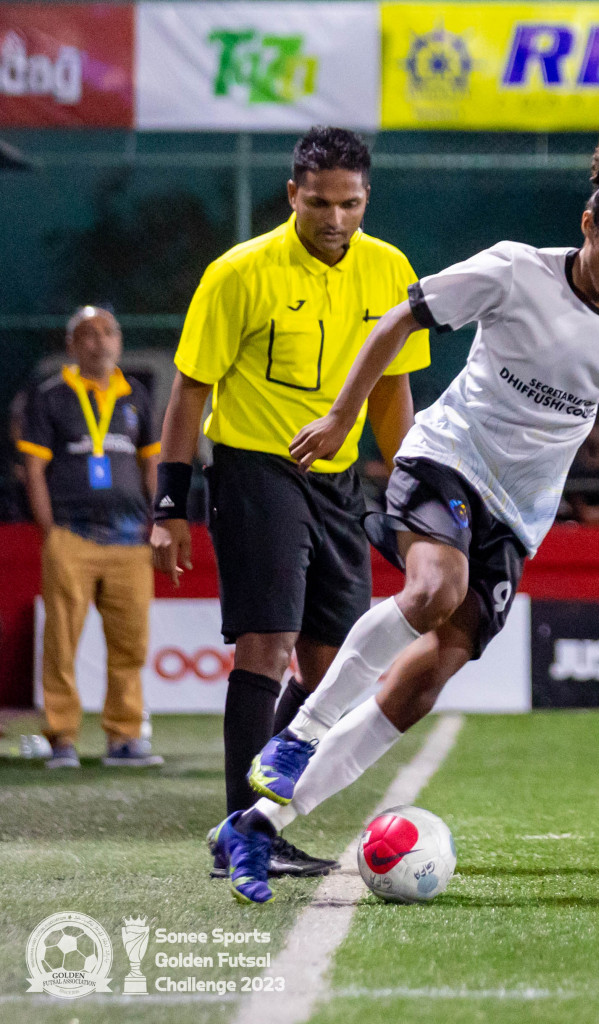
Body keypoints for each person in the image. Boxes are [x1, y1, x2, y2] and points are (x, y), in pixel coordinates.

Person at [209, 130, 599, 904]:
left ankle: (253, 824)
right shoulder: (514, 269)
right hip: (448, 458)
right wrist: (343, 418)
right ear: (590, 222)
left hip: (520, 512)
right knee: (432, 591)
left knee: (434, 672)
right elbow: (395, 322)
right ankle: (298, 737)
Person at [152, 127, 429, 879]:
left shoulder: (389, 269)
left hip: (338, 482)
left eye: (350, 203)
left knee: (328, 664)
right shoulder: (239, 273)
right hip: (253, 471)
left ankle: (259, 819)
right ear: (291, 195)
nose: (335, 218)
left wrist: (409, 492)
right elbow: (190, 387)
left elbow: (394, 388)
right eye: (319, 203)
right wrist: (169, 504)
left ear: (367, 198)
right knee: (266, 647)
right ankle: (240, 834)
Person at [17, 306, 162, 769]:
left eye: (106, 332)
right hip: (71, 536)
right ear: (72, 345)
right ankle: (61, 739)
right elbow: (33, 471)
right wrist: (50, 530)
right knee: (61, 642)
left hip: (129, 537)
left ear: (119, 341)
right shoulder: (50, 397)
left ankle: (124, 739)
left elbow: (151, 464)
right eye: (87, 334)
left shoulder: (136, 394)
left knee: (131, 645)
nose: (98, 341)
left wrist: (160, 518)